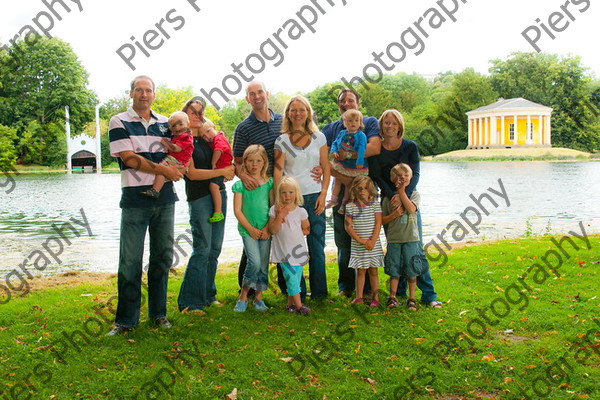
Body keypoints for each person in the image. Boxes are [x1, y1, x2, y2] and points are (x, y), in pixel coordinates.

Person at [107, 75, 185, 336]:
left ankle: (158, 315)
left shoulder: (166, 123)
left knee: (162, 258)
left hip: (165, 200)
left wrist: (175, 167)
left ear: (154, 94)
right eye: (138, 90)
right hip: (134, 199)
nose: (143, 94)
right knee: (129, 261)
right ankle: (126, 321)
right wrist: (164, 170)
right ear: (131, 93)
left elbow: (181, 149)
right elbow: (130, 159)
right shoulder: (118, 121)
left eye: (148, 90)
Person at [232, 81, 321, 296]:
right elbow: (236, 161)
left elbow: (302, 149)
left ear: (266, 94)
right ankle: (248, 289)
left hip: (283, 187)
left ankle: (288, 288)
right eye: (251, 94)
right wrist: (244, 176)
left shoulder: (283, 122)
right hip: (257, 189)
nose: (257, 96)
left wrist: (315, 166)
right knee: (255, 235)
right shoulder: (243, 128)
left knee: (283, 235)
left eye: (259, 92)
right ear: (248, 99)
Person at [369, 109, 442, 308]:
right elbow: (377, 176)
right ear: (381, 126)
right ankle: (398, 292)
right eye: (386, 123)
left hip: (409, 201)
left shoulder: (410, 146)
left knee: (415, 249)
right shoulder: (376, 148)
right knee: (395, 247)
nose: (390, 126)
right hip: (388, 202)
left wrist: (403, 195)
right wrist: (393, 195)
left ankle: (429, 294)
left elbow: (415, 174)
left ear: (400, 126)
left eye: (394, 123)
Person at [177, 97, 235, 313]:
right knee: (202, 248)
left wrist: (228, 171)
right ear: (185, 112)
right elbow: (191, 174)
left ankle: (209, 294)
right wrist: (221, 172)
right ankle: (190, 302)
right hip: (199, 197)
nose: (196, 115)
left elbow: (223, 158)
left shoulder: (207, 137)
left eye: (200, 112)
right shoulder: (183, 140)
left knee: (215, 249)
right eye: (192, 111)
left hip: (219, 194)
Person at [322, 88, 381, 298]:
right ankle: (346, 286)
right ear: (339, 106)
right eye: (342, 101)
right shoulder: (331, 128)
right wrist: (341, 171)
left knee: (367, 235)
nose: (346, 104)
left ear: (358, 103)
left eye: (350, 100)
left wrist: (346, 155)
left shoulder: (370, 122)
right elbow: (326, 158)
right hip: (344, 185)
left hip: (366, 194)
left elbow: (374, 148)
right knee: (344, 240)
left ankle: (367, 288)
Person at [273, 95, 330, 299]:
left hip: (314, 196)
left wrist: (323, 193)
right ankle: (296, 292)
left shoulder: (319, 137)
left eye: (302, 109)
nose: (298, 113)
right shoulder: (282, 140)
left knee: (316, 246)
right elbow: (278, 171)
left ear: (308, 113)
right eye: (293, 110)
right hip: (291, 200)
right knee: (292, 248)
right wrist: (278, 201)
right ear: (288, 113)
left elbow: (326, 167)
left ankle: (320, 293)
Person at [382, 163, 429, 311]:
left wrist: (402, 192)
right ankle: (393, 296)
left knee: (412, 270)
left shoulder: (414, 194)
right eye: (398, 176)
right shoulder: (387, 199)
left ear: (411, 178)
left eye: (405, 176)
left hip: (411, 239)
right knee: (394, 270)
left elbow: (411, 208)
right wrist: (394, 214)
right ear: (392, 179)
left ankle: (412, 298)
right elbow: (382, 220)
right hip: (394, 240)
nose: (402, 178)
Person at [232, 145, 273, 312]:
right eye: (250, 161)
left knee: (263, 264)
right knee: (254, 262)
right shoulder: (240, 185)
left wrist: (267, 227)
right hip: (247, 229)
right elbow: (237, 210)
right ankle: (243, 296)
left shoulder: (269, 183)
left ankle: (258, 298)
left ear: (264, 163)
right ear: (244, 163)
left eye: (258, 160)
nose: (254, 164)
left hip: (265, 229)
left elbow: (273, 207)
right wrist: (250, 229)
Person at [268, 176, 311, 315]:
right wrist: (280, 215)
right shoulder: (274, 210)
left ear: (296, 193)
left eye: (291, 192)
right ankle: (300, 306)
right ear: (279, 194)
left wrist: (299, 231)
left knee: (295, 278)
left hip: (298, 250)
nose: (287, 196)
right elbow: (272, 230)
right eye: (284, 193)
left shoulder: (301, 211)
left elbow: (307, 229)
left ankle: (290, 304)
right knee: (291, 278)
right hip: (283, 251)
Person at [344, 176, 383, 307]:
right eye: (359, 188)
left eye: (365, 188)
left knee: (373, 271)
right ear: (354, 190)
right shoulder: (350, 207)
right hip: (358, 244)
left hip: (373, 244)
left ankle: (375, 298)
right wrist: (359, 240)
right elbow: (348, 226)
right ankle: (359, 297)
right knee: (360, 271)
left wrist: (372, 241)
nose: (362, 191)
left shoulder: (375, 205)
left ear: (370, 191)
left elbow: (378, 223)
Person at [141, 111, 194, 199]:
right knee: (163, 171)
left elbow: (177, 149)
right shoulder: (178, 135)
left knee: (162, 171)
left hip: (177, 160)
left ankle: (155, 190)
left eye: (180, 124)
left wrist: (166, 143)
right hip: (176, 159)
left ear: (188, 124)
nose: (177, 128)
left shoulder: (186, 137)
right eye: (173, 126)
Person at [328, 109, 368, 212]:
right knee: (337, 179)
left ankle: (344, 204)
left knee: (347, 184)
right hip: (341, 163)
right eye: (350, 120)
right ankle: (333, 199)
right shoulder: (342, 133)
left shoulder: (361, 135)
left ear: (360, 123)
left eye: (356, 120)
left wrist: (359, 162)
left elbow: (362, 149)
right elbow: (335, 143)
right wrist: (334, 151)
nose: (353, 123)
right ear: (345, 123)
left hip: (353, 165)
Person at [199, 120, 233, 223]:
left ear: (214, 128)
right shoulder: (215, 139)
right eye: (204, 136)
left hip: (222, 166)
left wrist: (213, 163)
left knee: (213, 186)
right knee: (216, 187)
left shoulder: (218, 138)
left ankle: (218, 212)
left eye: (208, 131)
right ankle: (218, 211)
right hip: (223, 168)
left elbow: (218, 150)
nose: (207, 136)